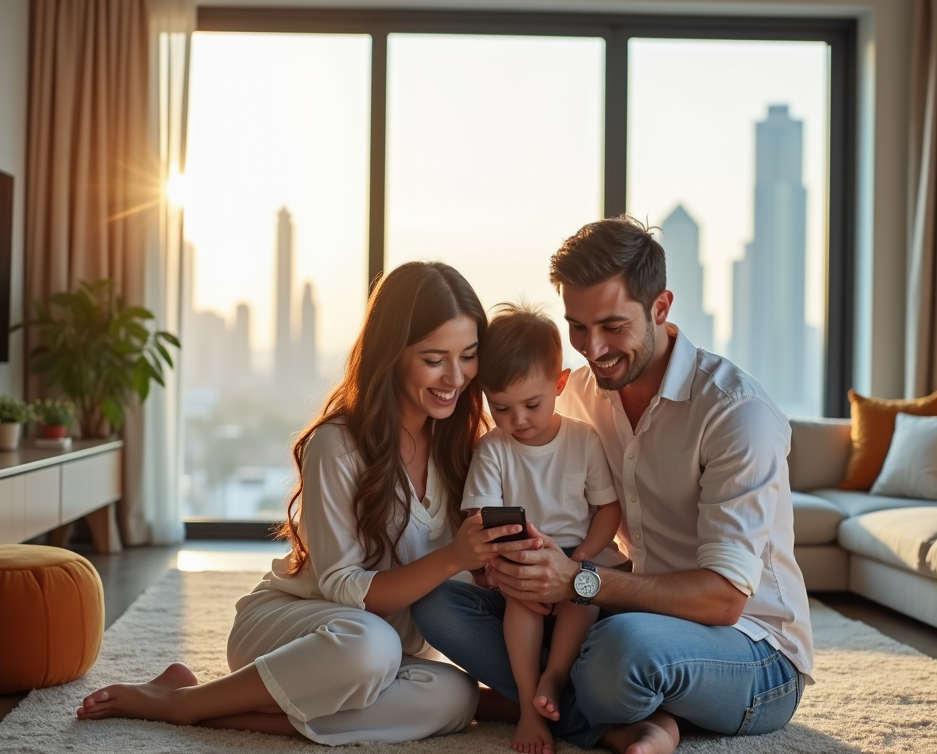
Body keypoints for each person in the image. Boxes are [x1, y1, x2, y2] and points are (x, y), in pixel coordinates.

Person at [76, 261, 523, 745]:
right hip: (303, 633)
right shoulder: (337, 444)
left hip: (388, 651)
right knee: (371, 647)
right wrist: (453, 557)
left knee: (455, 695)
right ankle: (185, 704)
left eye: (469, 356)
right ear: (392, 354)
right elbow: (342, 587)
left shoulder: (465, 448)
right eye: (435, 359)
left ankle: (211, 709)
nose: (456, 377)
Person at [412, 217, 814, 754]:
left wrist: (577, 581)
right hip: (618, 608)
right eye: (577, 326)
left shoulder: (736, 414)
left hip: (750, 649)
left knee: (619, 652)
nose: (592, 348)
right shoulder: (576, 392)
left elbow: (723, 601)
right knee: (437, 601)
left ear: (661, 308)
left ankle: (537, 703)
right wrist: (511, 570)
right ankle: (627, 722)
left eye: (612, 325)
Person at [463, 303, 623, 754]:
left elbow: (608, 512)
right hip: (520, 557)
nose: (517, 420)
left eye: (532, 404)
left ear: (560, 383)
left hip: (577, 556)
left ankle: (553, 678)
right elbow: (478, 520)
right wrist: (509, 567)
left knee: (584, 598)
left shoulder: (583, 439)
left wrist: (578, 561)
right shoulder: (493, 449)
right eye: (501, 408)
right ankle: (531, 706)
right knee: (520, 606)